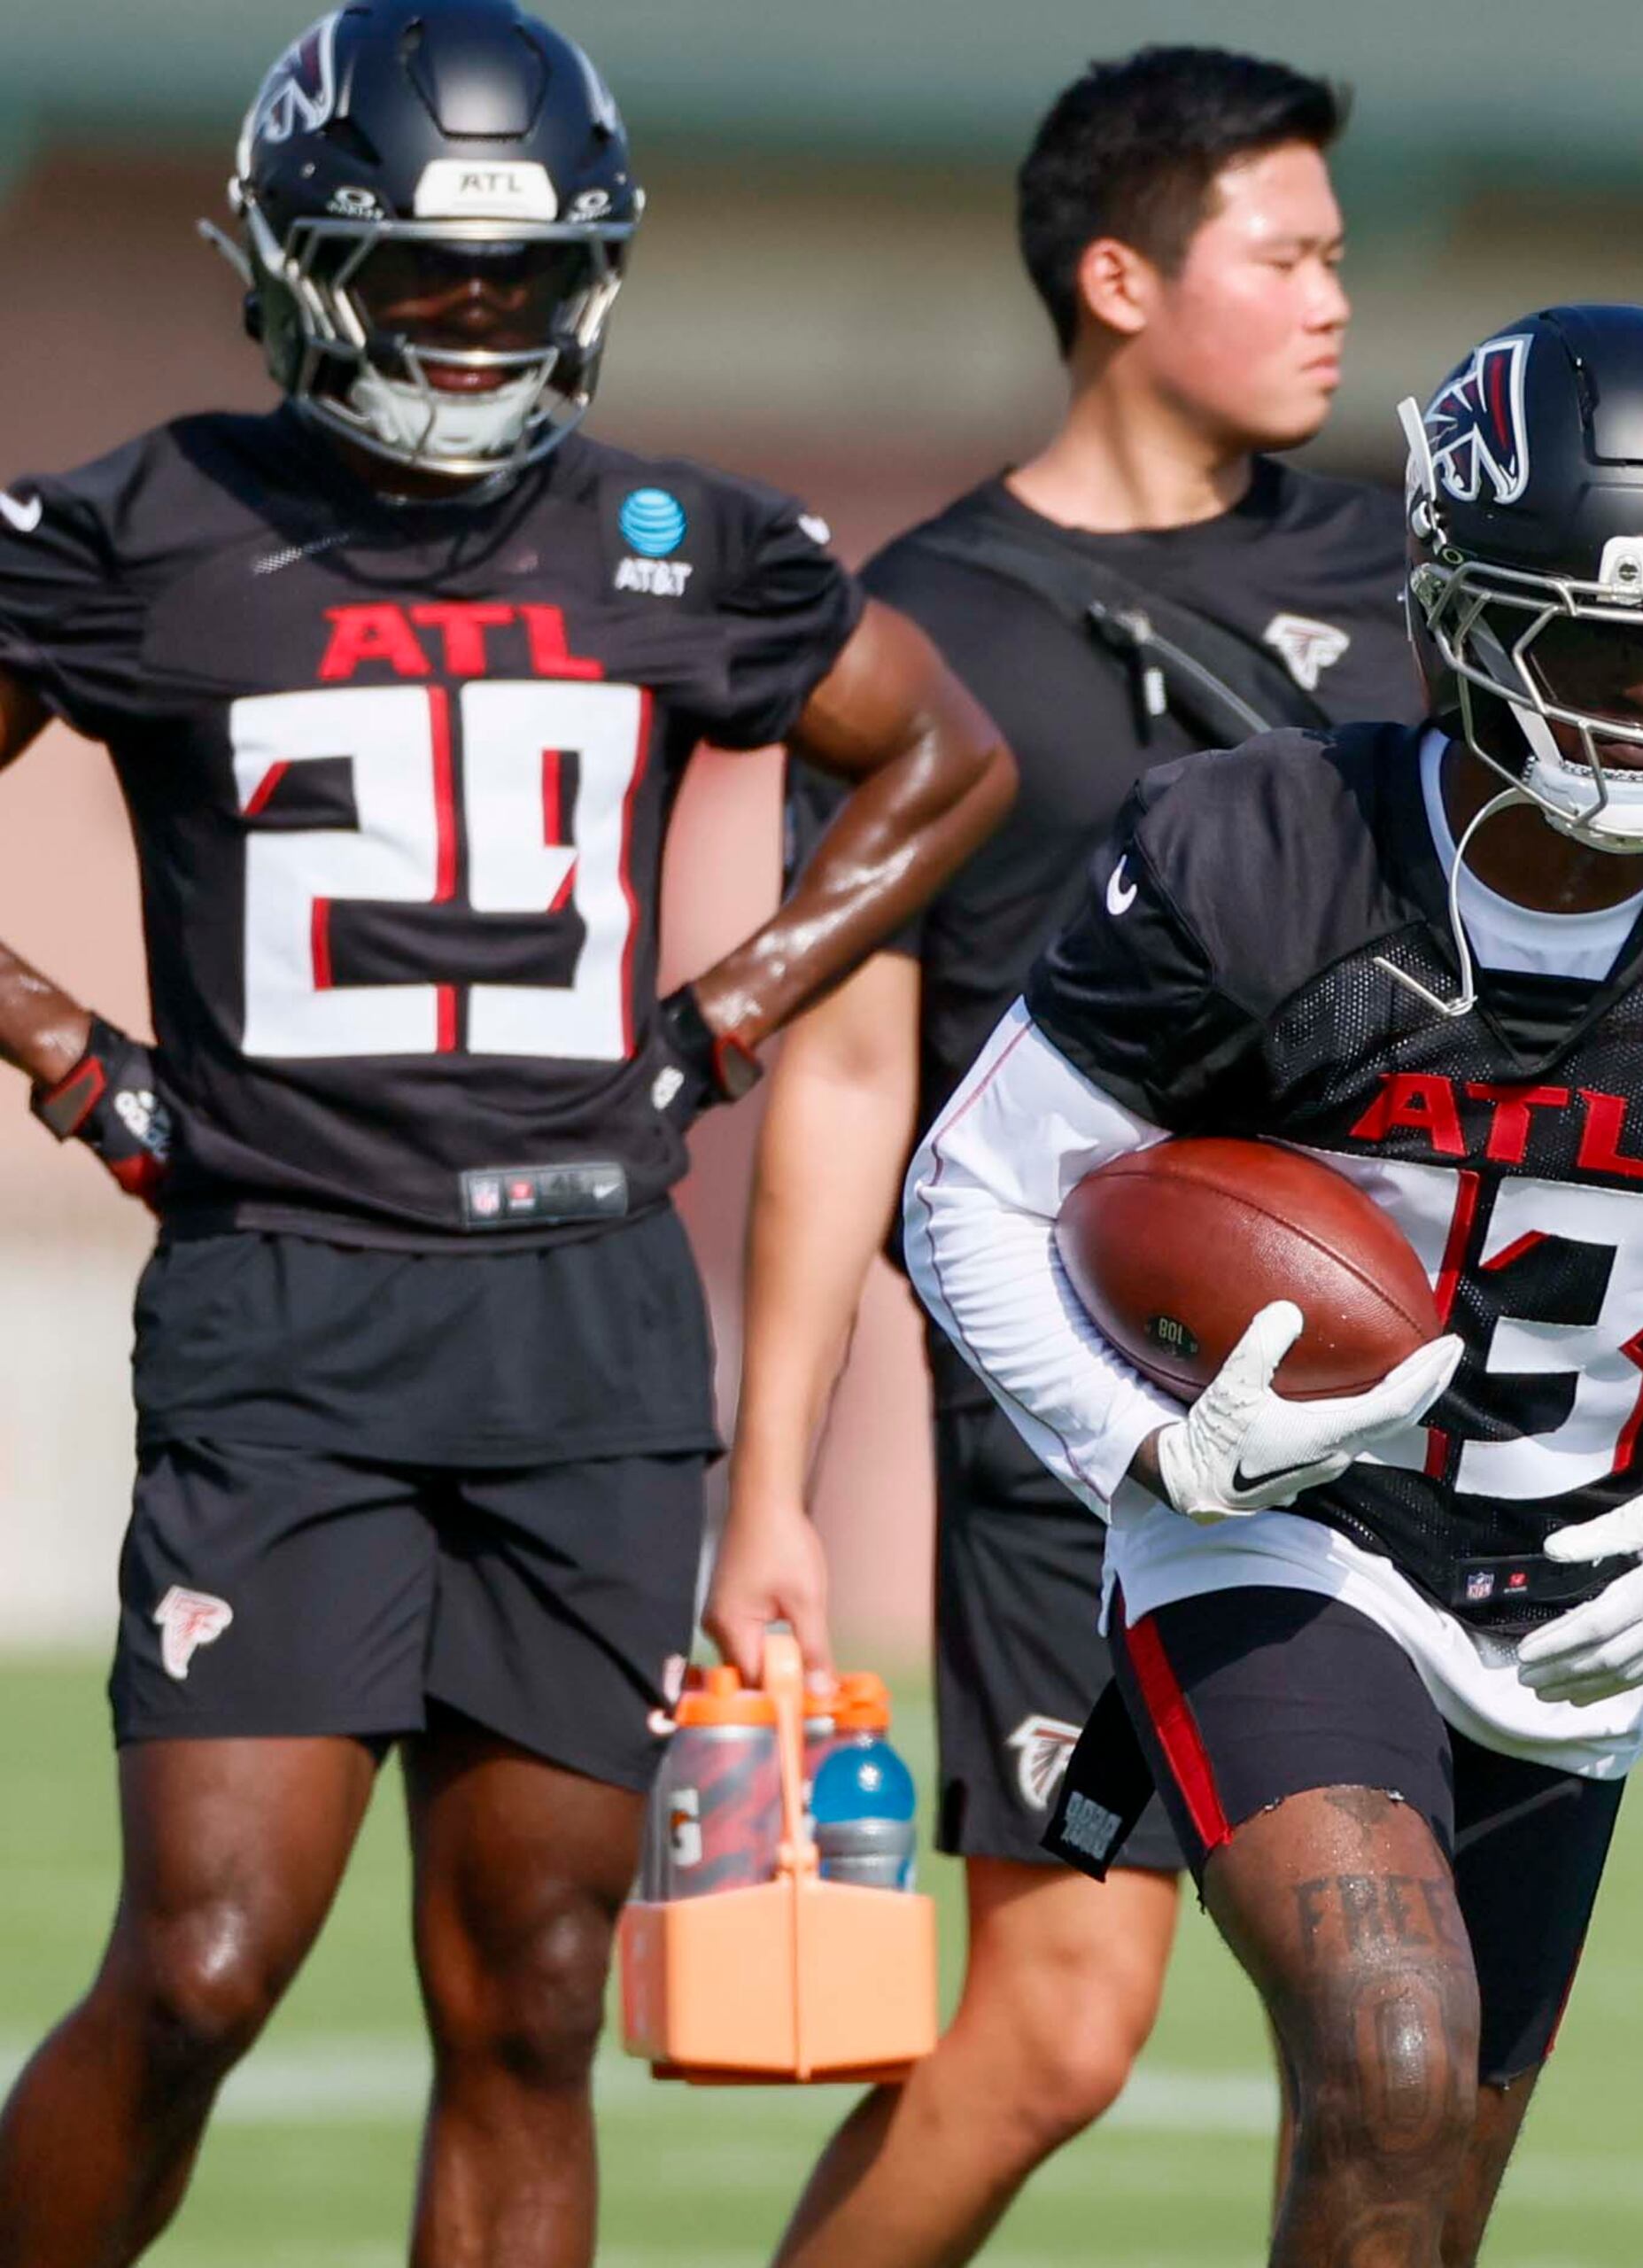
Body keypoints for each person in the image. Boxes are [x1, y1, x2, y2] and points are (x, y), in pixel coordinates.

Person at [0, 8, 1015, 2265]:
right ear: (289, 262)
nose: (476, 325)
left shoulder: (680, 539)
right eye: (426, 275)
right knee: (201, 1964)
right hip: (285, 1312)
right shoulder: (145, 524)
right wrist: (57, 1034)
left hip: (589, 1332)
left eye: (524, 278)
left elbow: (944, 760)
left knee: (537, 1996)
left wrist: (730, 1015)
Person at [903, 302, 1643, 2263]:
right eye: (1600, 645)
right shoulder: (1263, 846)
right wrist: (1159, 1454)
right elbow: (971, 1195)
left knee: (1416, 2190)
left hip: (1587, 1588)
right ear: (1456, 616)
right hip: (1290, 1535)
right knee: (1396, 2040)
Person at [696, 48, 1420, 2264]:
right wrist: (772, 1491)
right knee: (1057, 2024)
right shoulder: (936, 619)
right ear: (1120, 278)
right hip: (1083, 1403)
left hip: (1410, 1381)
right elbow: (840, 1073)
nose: (1331, 297)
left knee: (1431, 2022)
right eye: (1281, 252)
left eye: (1334, 251)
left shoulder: (1412, 572)